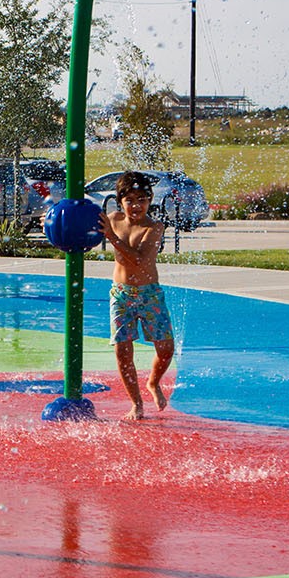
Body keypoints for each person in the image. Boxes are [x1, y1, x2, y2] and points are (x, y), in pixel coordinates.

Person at [98, 171, 176, 420]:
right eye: (130, 200)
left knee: (165, 350)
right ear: (119, 200)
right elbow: (84, 229)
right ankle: (136, 403)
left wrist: (111, 237)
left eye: (142, 199)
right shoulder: (113, 219)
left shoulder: (154, 227)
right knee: (123, 351)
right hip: (121, 294)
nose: (136, 206)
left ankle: (153, 382)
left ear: (150, 200)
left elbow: (140, 260)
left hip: (149, 293)